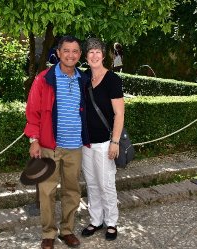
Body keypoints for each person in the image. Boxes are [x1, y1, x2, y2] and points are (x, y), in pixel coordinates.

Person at [24, 35, 90, 249]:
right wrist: (34, 140)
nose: (71, 55)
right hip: (49, 146)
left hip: (75, 147)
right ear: (59, 53)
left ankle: (67, 230)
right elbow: (32, 112)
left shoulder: (84, 79)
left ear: (79, 55)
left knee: (72, 191)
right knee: (47, 191)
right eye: (66, 51)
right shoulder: (44, 79)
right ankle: (48, 234)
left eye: (75, 51)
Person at [81, 38, 124, 241]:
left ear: (103, 54)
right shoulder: (85, 78)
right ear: (86, 56)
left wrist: (115, 141)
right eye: (90, 52)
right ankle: (96, 220)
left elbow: (119, 114)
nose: (94, 55)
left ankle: (112, 222)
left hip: (105, 143)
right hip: (86, 143)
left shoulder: (112, 80)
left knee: (107, 184)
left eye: (97, 51)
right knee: (92, 183)